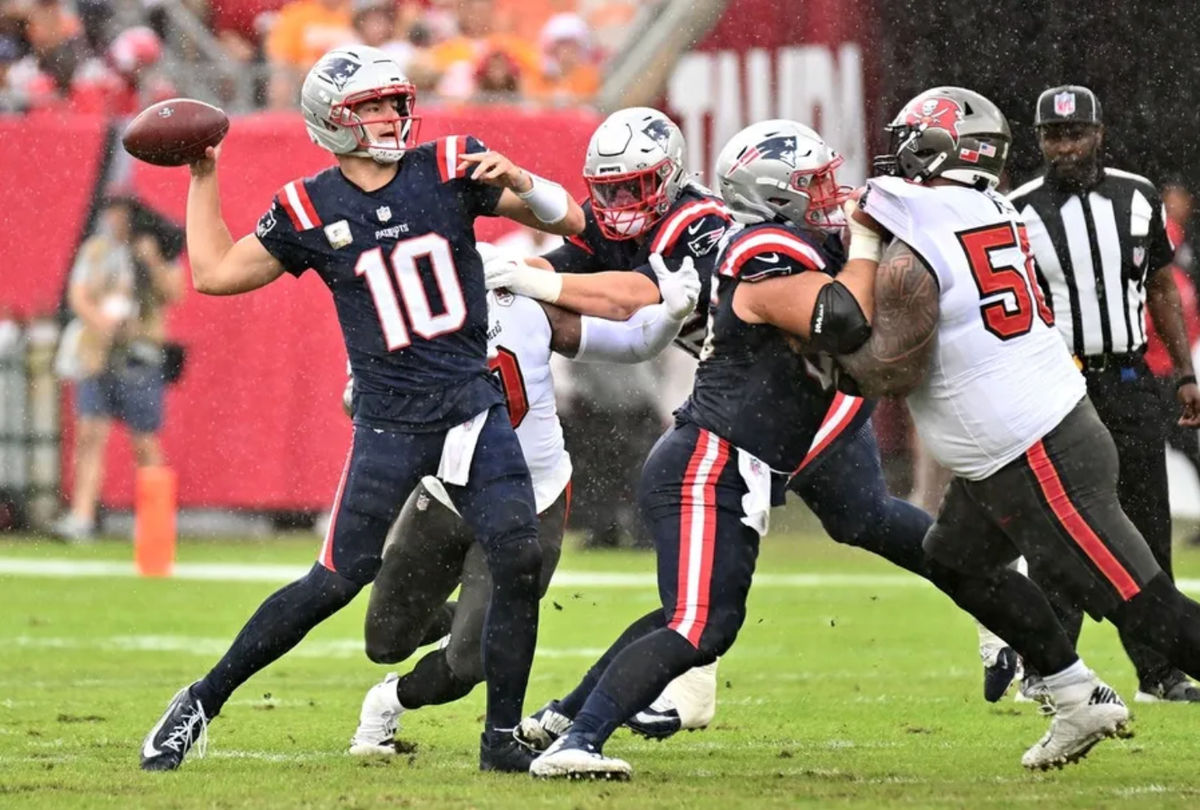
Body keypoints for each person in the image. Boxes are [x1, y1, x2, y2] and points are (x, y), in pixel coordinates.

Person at [138, 44, 585, 773]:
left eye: (392, 102)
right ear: (332, 121)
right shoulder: (311, 205)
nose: (387, 117)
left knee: (519, 561)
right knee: (335, 581)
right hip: (391, 423)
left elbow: (570, 223)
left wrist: (524, 180)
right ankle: (201, 699)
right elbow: (216, 274)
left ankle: (500, 740)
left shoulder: (450, 166)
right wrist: (203, 174)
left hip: (473, 407)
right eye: (369, 106)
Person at [843, 86, 1200, 770]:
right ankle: (1074, 695)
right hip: (1012, 445)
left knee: (1147, 610)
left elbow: (887, 370)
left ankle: (1096, 685)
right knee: (954, 559)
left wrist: (814, 349)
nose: (902, 156)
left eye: (915, 141)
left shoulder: (931, 220)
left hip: (1037, 447)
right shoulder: (987, 204)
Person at [347, 246, 705, 754]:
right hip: (444, 489)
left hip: (528, 498)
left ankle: (390, 701)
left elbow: (631, 344)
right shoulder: (405, 297)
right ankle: (478, 616)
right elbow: (358, 396)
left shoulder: (520, 286)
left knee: (469, 662)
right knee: (385, 641)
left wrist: (670, 315)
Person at [982, 85, 1200, 704]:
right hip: (1060, 386)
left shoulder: (1137, 197)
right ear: (1039, 139)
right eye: (1053, 135)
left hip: (1130, 378)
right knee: (1056, 531)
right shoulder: (1017, 210)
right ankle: (1049, 669)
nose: (1065, 146)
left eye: (1075, 134)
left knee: (1147, 523)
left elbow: (1161, 287)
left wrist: (1184, 373)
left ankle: (1159, 671)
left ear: (1099, 133)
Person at [54, 196, 184, 542]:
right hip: (98, 353)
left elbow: (175, 293)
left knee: (144, 440)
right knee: (89, 434)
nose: (115, 222)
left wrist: (152, 261)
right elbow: (78, 294)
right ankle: (82, 515)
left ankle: (153, 520)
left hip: (139, 355)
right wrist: (100, 322)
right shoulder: (96, 251)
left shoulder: (155, 247)